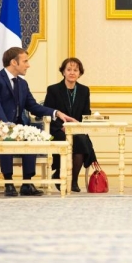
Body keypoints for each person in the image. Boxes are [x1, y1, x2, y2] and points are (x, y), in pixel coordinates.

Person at [0, 47, 71, 197]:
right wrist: (6, 126)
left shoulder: (22, 84)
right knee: (7, 136)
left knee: (31, 136)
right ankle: (8, 182)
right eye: (25, 61)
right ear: (13, 62)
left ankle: (27, 183)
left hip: (18, 126)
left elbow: (33, 106)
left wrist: (56, 112)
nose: (28, 65)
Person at [44, 57, 97, 192]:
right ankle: (62, 174)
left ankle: (73, 180)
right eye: (69, 70)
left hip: (77, 129)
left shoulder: (84, 90)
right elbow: (48, 112)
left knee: (81, 140)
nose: (72, 72)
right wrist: (61, 126)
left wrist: (79, 126)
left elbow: (86, 113)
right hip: (58, 130)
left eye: (75, 70)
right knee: (75, 141)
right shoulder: (53, 90)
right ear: (63, 72)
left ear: (79, 73)